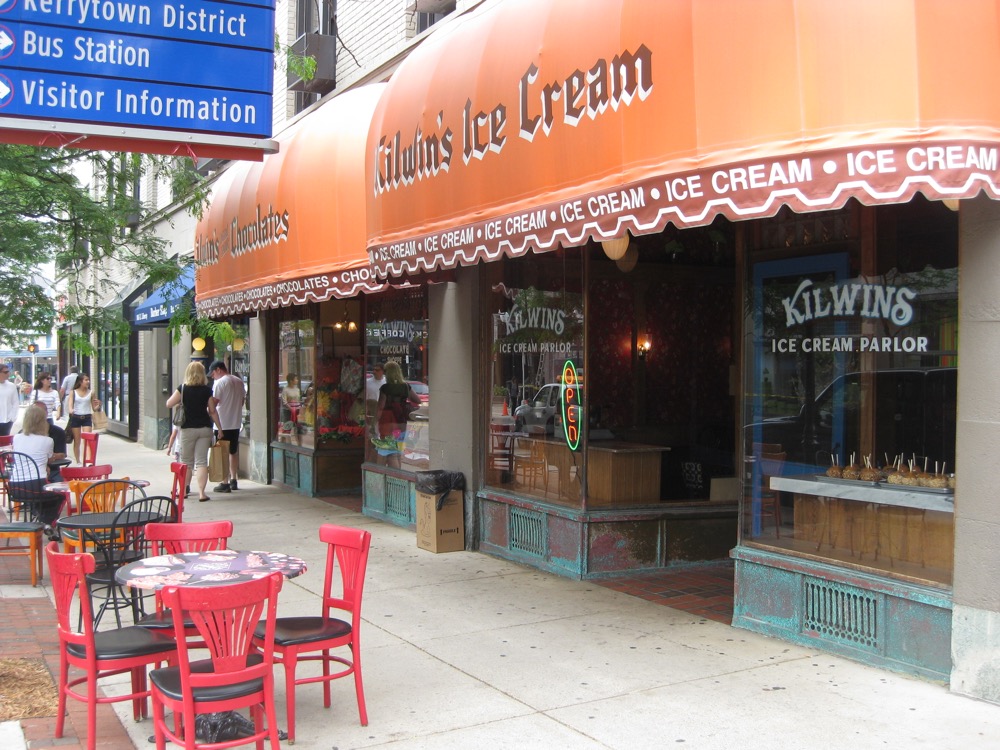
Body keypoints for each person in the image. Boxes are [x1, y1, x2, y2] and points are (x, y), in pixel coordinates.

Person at [166, 361, 222, 503]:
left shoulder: (183, 389)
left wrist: (181, 403)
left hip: (187, 429)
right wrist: (219, 429)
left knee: (186, 462)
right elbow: (212, 411)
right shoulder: (206, 390)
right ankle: (202, 493)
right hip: (204, 428)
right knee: (201, 461)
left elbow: (168, 404)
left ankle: (184, 491)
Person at [12, 403, 63, 528]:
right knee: (60, 493)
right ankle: (46, 521)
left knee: (46, 496)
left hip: (15, 486)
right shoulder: (47, 441)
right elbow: (49, 459)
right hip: (37, 484)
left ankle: (40, 516)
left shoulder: (16, 437)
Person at [209, 359, 246, 493]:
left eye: (213, 373)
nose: (212, 377)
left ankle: (224, 482)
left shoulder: (220, 383)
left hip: (222, 423)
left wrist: (208, 409)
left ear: (219, 370)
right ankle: (233, 479)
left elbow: (214, 402)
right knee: (233, 451)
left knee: (221, 453)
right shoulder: (238, 381)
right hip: (235, 422)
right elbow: (242, 401)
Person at [376, 361, 419, 467]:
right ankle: (399, 480)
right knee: (398, 452)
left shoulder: (385, 388)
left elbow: (380, 407)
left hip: (388, 423)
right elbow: (417, 400)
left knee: (391, 454)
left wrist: (374, 422)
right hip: (402, 423)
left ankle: (393, 478)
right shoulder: (405, 386)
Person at [66, 373, 100, 464]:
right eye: (86, 380)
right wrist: (71, 410)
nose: (88, 382)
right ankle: (78, 461)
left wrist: (98, 405)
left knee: (88, 440)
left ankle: (88, 460)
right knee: (77, 441)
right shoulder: (73, 392)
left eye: (88, 380)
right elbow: (70, 404)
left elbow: (94, 408)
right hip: (76, 417)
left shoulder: (91, 392)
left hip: (87, 417)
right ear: (80, 382)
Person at [280, 373, 301, 441]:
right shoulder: (285, 390)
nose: (297, 380)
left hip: (297, 411)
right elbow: (284, 402)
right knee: (287, 427)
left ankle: (299, 444)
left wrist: (299, 408)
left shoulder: (297, 389)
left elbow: (298, 400)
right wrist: (291, 409)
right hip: (288, 411)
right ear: (291, 380)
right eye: (296, 379)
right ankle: (283, 443)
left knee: (298, 429)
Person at [0, 364, 19, 437]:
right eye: (5, 372)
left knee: (4, 442)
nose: (8, 374)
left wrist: (12, 418)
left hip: (7, 420)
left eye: (8, 372)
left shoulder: (11, 386)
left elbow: (15, 403)